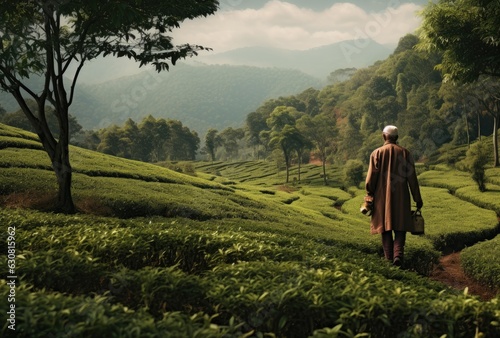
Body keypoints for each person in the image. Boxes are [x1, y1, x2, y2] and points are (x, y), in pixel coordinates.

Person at [364, 125, 423, 267]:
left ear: (384, 136)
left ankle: (388, 258)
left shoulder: (376, 153)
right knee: (400, 227)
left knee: (385, 227)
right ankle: (398, 255)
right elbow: (412, 179)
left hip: (381, 198)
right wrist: (417, 199)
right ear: (396, 138)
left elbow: (371, 179)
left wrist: (369, 194)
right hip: (402, 197)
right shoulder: (405, 154)